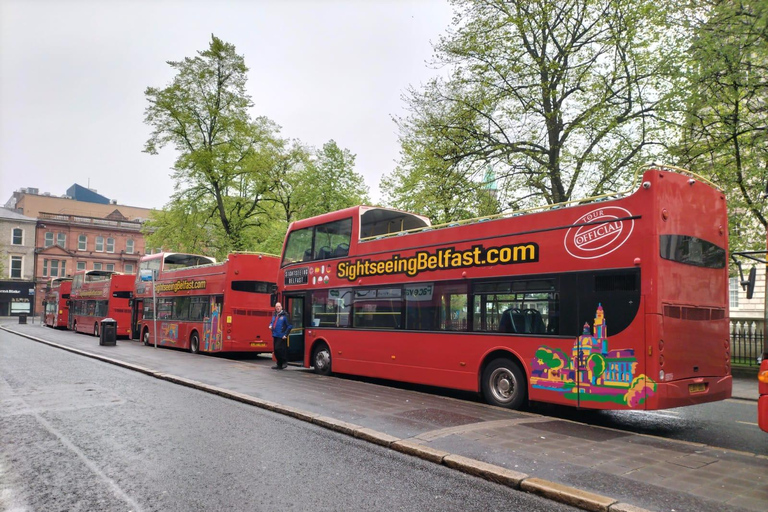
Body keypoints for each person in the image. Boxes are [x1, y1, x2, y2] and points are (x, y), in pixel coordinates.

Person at [269, 302, 292, 370]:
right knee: (275, 351)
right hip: (275, 334)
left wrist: (286, 334)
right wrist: (270, 325)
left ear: (281, 307)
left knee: (278, 349)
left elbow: (290, 326)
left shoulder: (285, 315)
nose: (277, 308)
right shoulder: (275, 315)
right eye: (276, 307)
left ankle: (284, 361)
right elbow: (272, 322)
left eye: (279, 306)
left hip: (281, 335)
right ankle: (279, 364)